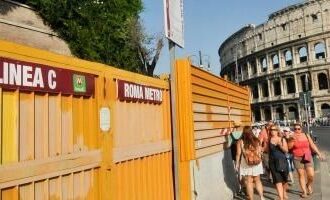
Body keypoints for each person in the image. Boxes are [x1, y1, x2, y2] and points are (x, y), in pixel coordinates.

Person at [287, 123, 325, 198]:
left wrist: (319, 153)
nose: (297, 130)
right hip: (297, 158)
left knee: (311, 175)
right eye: (295, 129)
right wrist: (292, 140)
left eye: (299, 129)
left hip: (307, 156)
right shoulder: (292, 137)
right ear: (293, 129)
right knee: (301, 175)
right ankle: (304, 191)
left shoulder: (306, 135)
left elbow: (312, 145)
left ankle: (308, 185)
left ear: (301, 129)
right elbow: (289, 148)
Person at [235, 126, 265, 200]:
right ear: (251, 131)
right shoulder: (256, 140)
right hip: (256, 162)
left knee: (249, 182)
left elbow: (238, 154)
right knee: (257, 180)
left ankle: (251, 198)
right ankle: (262, 197)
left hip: (246, 163)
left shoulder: (240, 141)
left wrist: (237, 164)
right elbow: (260, 152)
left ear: (243, 132)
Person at [267, 125, 289, 200]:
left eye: (274, 129)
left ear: (277, 130)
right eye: (271, 129)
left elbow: (286, 151)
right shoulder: (269, 139)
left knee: (284, 180)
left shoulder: (282, 139)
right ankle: (281, 197)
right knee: (277, 180)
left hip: (282, 162)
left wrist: (280, 146)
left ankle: (284, 192)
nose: (272, 131)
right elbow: (268, 151)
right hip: (273, 162)